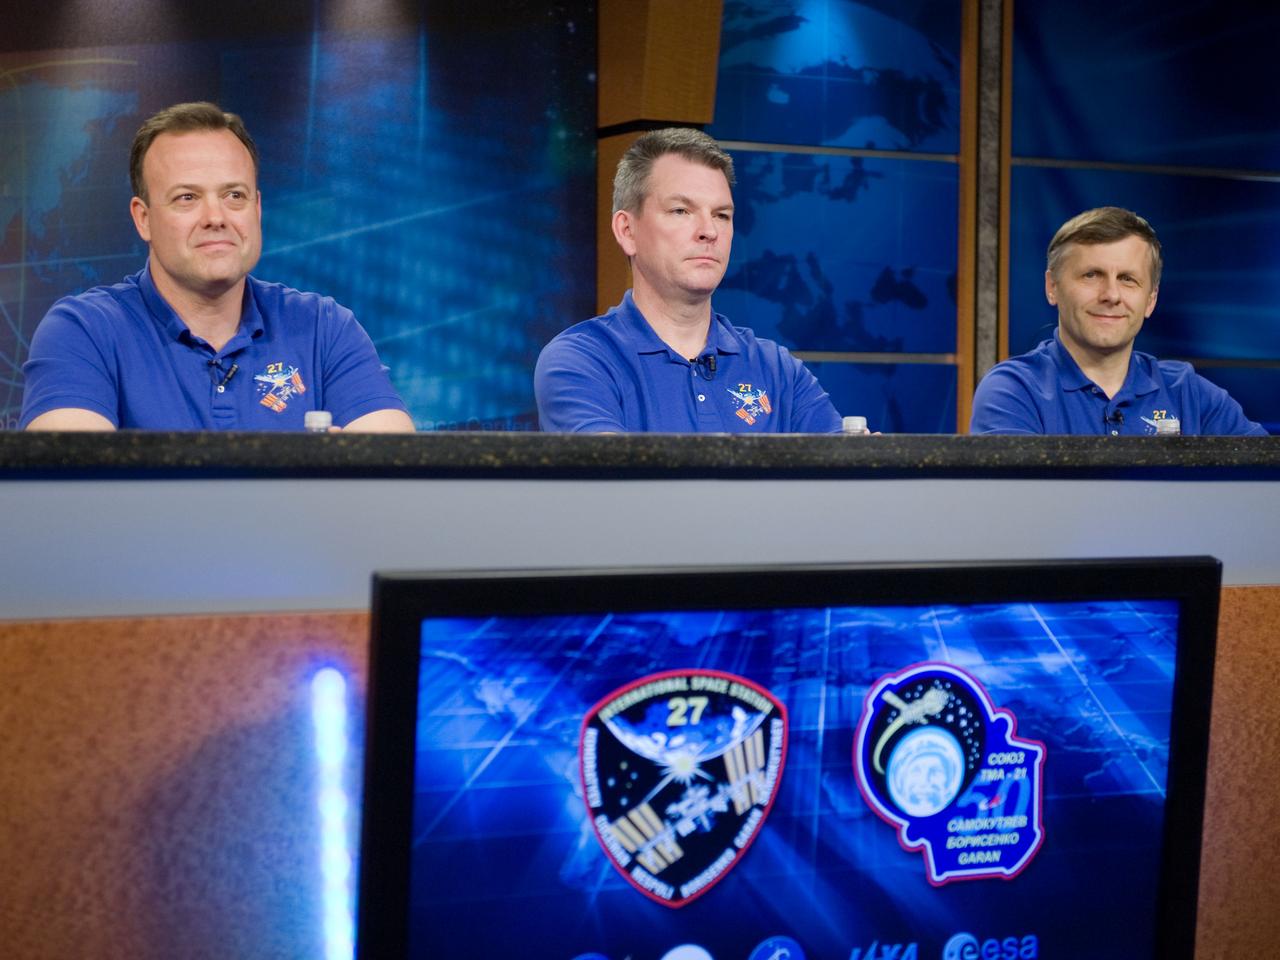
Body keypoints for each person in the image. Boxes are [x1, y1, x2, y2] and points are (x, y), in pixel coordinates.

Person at [20, 102, 414, 431]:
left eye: (234, 195)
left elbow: (393, 482)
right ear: (143, 219)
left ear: (257, 209)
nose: (216, 216)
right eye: (187, 197)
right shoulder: (84, 331)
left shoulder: (325, 329)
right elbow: (73, 496)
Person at [535, 128, 843, 433]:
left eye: (722, 215)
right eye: (681, 210)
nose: (709, 230)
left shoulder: (778, 371)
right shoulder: (581, 361)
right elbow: (620, 478)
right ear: (627, 231)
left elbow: (847, 476)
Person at [970, 206, 1266, 436]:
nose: (1111, 295)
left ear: (1150, 300)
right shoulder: (1014, 391)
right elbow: (1018, 510)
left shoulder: (1189, 393)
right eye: (1091, 275)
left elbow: (1263, 488)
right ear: (1052, 287)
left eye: (1127, 279)